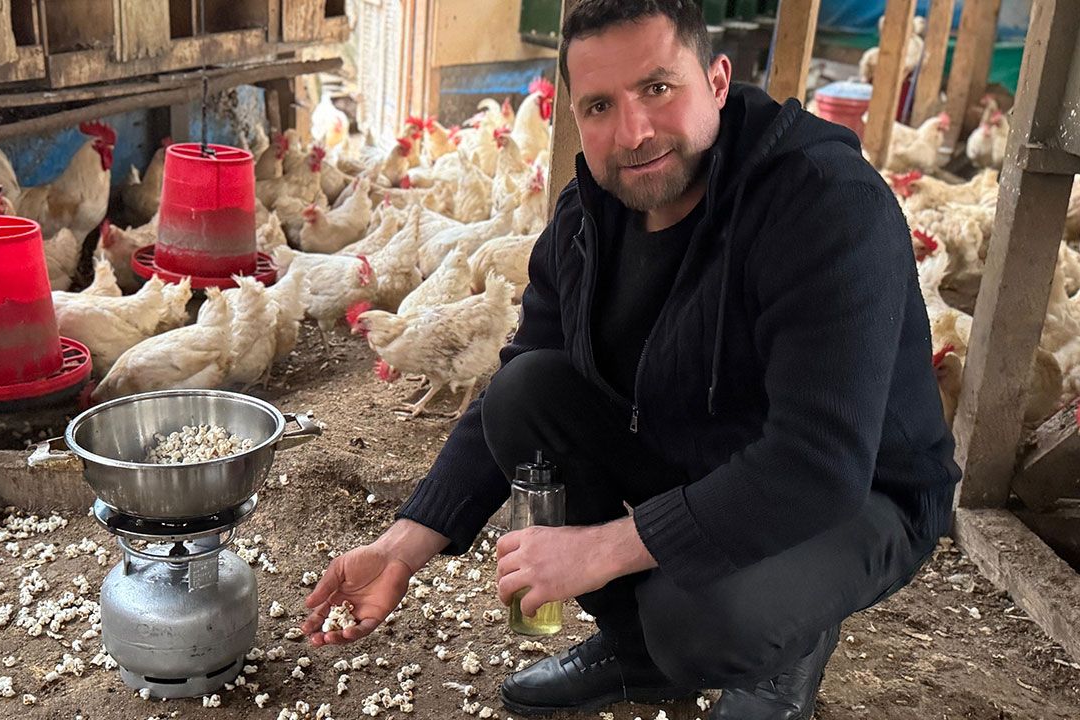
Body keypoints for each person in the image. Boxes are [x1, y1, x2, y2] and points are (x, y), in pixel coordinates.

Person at [301, 1, 960, 718]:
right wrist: (402, 546)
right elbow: (519, 382)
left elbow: (819, 463)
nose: (634, 132)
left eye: (657, 88)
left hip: (857, 492)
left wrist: (603, 548)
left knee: (699, 616)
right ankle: (638, 654)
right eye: (600, 106)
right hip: (709, 452)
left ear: (716, 81)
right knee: (526, 391)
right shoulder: (587, 217)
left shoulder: (822, 203)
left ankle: (783, 650)